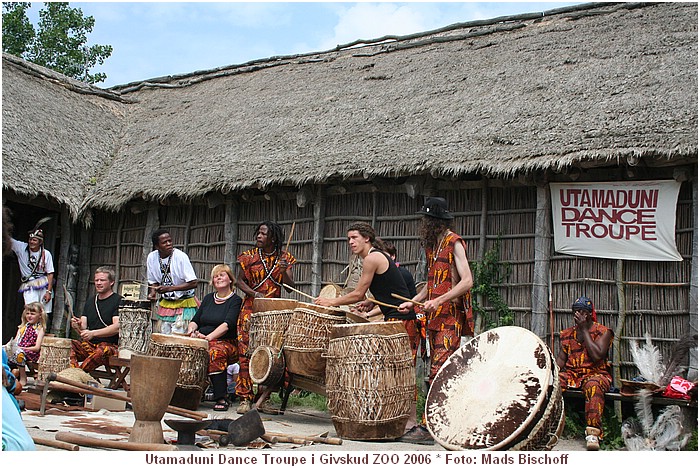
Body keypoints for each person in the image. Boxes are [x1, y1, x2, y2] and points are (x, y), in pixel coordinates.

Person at [314, 222, 421, 436]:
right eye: (348, 239)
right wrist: (373, 302)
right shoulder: (373, 257)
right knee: (396, 372)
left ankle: (411, 423)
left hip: (401, 321)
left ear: (367, 239)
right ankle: (401, 421)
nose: (351, 242)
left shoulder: (372, 258)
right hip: (397, 319)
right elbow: (388, 289)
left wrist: (331, 302)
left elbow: (357, 294)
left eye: (354, 237)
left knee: (403, 373)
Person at [398, 197, 474, 444]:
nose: (424, 224)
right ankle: (439, 423)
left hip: (449, 318)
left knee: (438, 370)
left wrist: (440, 301)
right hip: (433, 317)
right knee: (435, 370)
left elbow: (466, 281)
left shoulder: (454, 243)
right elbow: (431, 286)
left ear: (436, 221)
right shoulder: (433, 246)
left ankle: (428, 427)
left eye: (427, 220)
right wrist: (415, 300)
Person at [236, 221, 296, 414]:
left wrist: (283, 271)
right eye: (258, 233)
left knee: (271, 356)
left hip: (272, 315)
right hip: (250, 311)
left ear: (273, 238)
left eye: (263, 234)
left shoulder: (284, 258)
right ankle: (244, 398)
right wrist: (254, 294)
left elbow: (288, 287)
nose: (258, 237)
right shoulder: (248, 257)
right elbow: (239, 281)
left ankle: (265, 398)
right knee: (245, 354)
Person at [556, 296, 613, 451]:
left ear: (588, 314)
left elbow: (596, 356)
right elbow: (561, 360)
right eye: (575, 311)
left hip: (597, 374)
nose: (577, 315)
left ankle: (593, 433)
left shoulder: (603, 332)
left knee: (593, 385)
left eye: (581, 311)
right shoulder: (567, 334)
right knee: (552, 383)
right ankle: (549, 426)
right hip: (573, 375)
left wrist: (584, 330)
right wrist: (551, 373)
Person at [186, 264, 241, 412]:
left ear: (230, 279)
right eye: (215, 276)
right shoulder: (209, 298)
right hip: (203, 338)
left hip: (226, 342)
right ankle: (186, 394)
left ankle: (221, 397)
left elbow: (227, 325)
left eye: (222, 275)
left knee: (215, 352)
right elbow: (195, 320)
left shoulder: (235, 300)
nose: (218, 278)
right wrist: (191, 331)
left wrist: (208, 338)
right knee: (183, 349)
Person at [70, 267, 122, 373]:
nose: (98, 283)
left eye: (102, 280)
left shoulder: (118, 301)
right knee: (68, 345)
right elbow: (83, 327)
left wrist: (93, 333)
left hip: (110, 347)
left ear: (111, 282)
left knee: (102, 350)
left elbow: (117, 327)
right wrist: (77, 325)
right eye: (96, 280)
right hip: (90, 346)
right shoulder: (90, 301)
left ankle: (77, 375)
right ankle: (74, 372)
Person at [147, 229, 199, 335]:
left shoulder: (180, 256)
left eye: (170, 241)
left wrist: (169, 288)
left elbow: (193, 282)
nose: (169, 244)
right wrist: (153, 292)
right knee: (164, 337)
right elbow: (153, 281)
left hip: (184, 304)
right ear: (157, 246)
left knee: (178, 337)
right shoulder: (152, 257)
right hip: (166, 304)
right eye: (164, 242)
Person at [11, 220, 55, 318]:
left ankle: (40, 331)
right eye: (30, 239)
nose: (31, 242)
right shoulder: (21, 248)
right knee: (30, 310)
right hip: (29, 284)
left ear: (40, 242)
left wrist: (48, 291)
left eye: (34, 240)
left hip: (44, 284)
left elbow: (50, 273)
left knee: (43, 312)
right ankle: (29, 331)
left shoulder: (46, 254)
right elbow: (7, 239)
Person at [6, 302, 46, 387]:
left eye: (32, 314)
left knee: (18, 353)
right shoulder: (22, 327)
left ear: (39, 315)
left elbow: (37, 348)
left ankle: (23, 376)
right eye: (27, 313)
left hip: (31, 352)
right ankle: (6, 374)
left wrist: (21, 348)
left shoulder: (40, 329)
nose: (29, 316)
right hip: (19, 349)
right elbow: (16, 341)